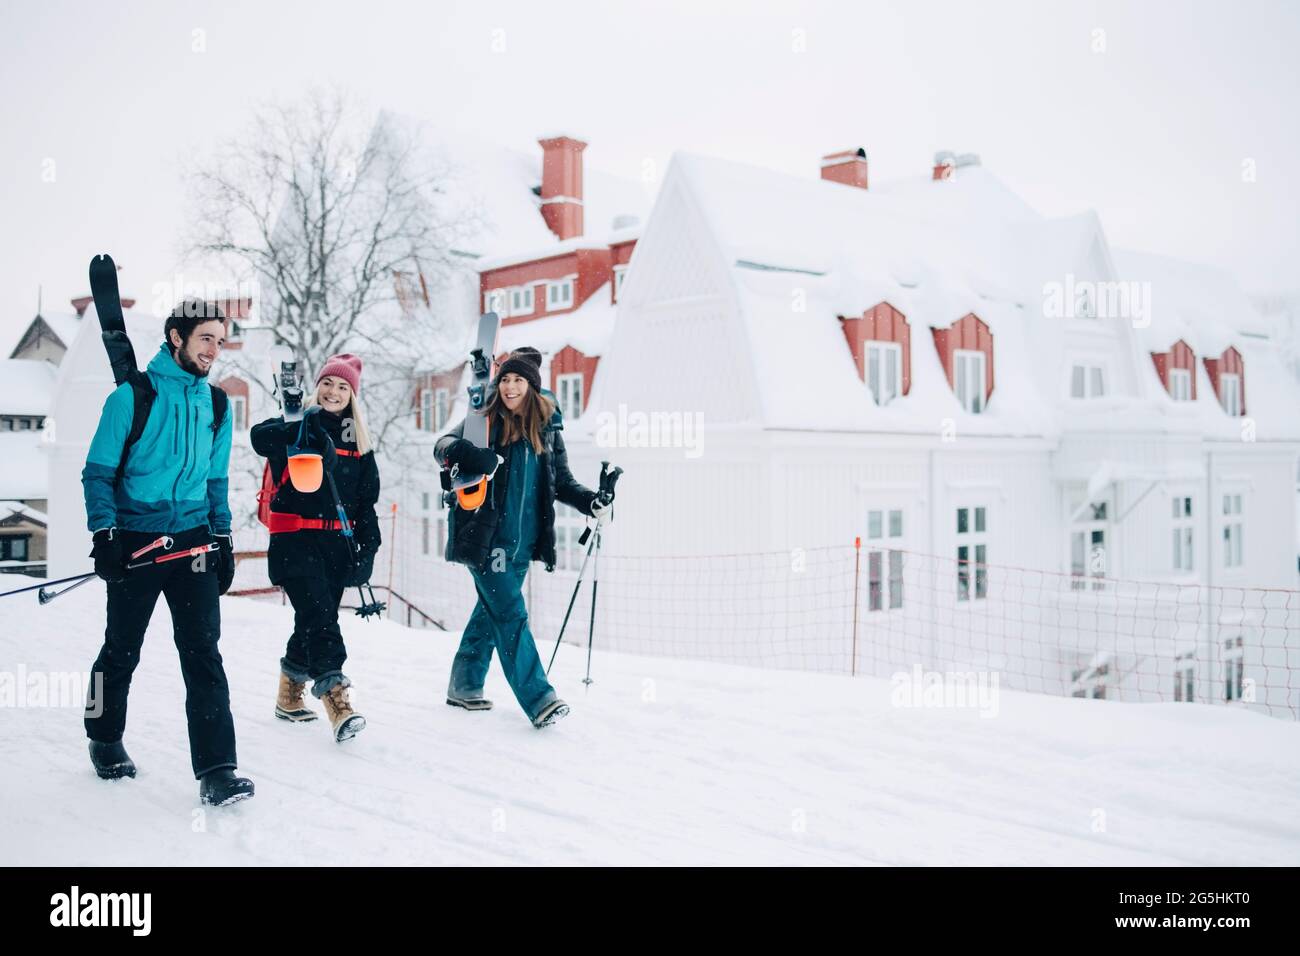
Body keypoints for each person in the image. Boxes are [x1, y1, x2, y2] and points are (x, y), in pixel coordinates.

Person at [81, 299, 253, 806]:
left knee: (204, 654)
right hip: (138, 539)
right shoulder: (132, 397)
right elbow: (98, 473)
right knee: (120, 649)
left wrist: (221, 538)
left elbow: (216, 479)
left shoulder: (216, 404)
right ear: (176, 337)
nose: (213, 351)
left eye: (220, 342)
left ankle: (218, 770)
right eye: (205, 339)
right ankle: (103, 734)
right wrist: (105, 535)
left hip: (194, 540)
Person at [434, 349, 612, 727]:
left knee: (490, 612)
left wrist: (591, 502)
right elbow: (442, 447)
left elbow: (560, 482)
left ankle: (463, 686)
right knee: (511, 615)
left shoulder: (545, 429)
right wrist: (461, 451)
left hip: (523, 543)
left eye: (518, 380)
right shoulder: (483, 420)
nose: (510, 387)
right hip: (484, 538)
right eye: (505, 380)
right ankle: (539, 697)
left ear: (533, 387)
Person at [250, 354, 380, 742]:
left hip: (337, 545)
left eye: (343, 387)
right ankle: (337, 699)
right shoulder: (296, 423)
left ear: (353, 396)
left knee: (310, 620)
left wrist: (367, 552)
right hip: (294, 540)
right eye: (328, 383)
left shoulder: (359, 441)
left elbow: (367, 504)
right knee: (322, 620)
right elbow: (260, 437)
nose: (334, 392)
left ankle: (288, 697)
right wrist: (293, 429)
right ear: (316, 386)